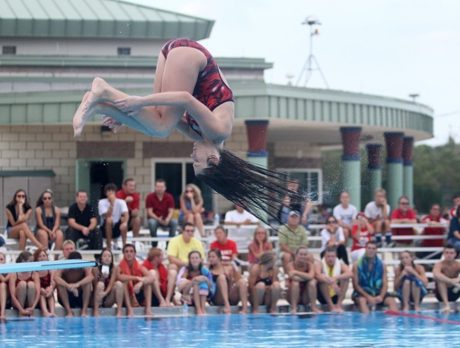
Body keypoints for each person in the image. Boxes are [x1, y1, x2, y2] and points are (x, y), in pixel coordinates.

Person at [72, 38, 306, 226]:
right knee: (160, 127)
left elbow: (163, 120)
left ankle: (100, 105)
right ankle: (104, 91)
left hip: (173, 53)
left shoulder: (201, 136)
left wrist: (125, 116)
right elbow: (183, 98)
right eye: (197, 160)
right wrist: (139, 102)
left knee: (159, 126)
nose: (192, 155)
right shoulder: (218, 130)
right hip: (190, 57)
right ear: (213, 158)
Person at [352, 241, 398, 314]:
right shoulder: (357, 265)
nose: (371, 250)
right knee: (362, 301)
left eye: (373, 248)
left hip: (378, 292)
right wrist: (368, 297)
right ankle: (366, 322)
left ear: (376, 250)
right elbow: (356, 285)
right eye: (369, 248)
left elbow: (385, 284)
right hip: (363, 293)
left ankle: (395, 322)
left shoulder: (382, 265)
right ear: (365, 249)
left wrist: (381, 296)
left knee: (392, 301)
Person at [166, 223, 205, 306]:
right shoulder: (174, 240)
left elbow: (201, 259)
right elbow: (171, 258)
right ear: (182, 231)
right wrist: (186, 264)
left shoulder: (197, 242)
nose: (190, 233)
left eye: (192, 231)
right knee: (172, 268)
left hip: (193, 268)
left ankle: (203, 299)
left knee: (204, 269)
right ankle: (168, 299)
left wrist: (190, 265)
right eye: (187, 231)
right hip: (180, 267)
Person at [117, 244, 154, 317]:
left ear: (135, 253)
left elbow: (151, 278)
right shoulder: (119, 266)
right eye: (126, 251)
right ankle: (129, 309)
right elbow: (120, 277)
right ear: (123, 254)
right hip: (126, 297)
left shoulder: (139, 266)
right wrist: (136, 278)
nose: (129, 253)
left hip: (137, 293)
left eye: (131, 251)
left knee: (147, 283)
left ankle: (148, 309)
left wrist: (141, 283)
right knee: (124, 282)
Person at [208, 248, 248, 314]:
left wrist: (231, 279)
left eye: (213, 257)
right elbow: (210, 288)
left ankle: (245, 308)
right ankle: (227, 305)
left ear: (219, 258)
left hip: (230, 295)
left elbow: (239, 279)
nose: (211, 259)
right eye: (209, 257)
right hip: (218, 298)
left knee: (242, 282)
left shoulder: (229, 268)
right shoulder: (208, 270)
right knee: (221, 277)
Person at [54, 251, 93, 317]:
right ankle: (69, 311)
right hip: (68, 297)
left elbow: (91, 277)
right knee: (60, 285)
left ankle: (84, 311)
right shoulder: (64, 266)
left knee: (87, 284)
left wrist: (78, 284)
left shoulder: (84, 266)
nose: (76, 265)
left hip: (80, 297)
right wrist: (68, 285)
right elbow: (56, 277)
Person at [177, 250, 215, 315]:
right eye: (192, 258)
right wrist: (193, 281)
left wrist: (205, 279)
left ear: (200, 259)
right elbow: (179, 286)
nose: (195, 260)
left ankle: (203, 309)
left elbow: (211, 286)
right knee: (195, 284)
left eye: (197, 258)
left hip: (202, 295)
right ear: (189, 260)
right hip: (188, 295)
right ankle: (198, 310)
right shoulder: (185, 269)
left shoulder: (204, 270)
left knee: (203, 284)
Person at [315, 246, 352, 312]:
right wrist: (331, 282)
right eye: (328, 256)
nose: (330, 259)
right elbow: (317, 275)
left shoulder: (340, 264)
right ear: (324, 257)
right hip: (323, 296)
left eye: (332, 256)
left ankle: (338, 304)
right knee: (322, 279)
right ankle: (331, 306)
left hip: (337, 293)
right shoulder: (319, 264)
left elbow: (350, 273)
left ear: (336, 257)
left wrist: (335, 278)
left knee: (345, 279)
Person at [286, 246, 320, 313]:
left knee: (312, 282)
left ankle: (314, 307)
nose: (303, 256)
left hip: (305, 296)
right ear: (296, 255)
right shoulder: (290, 265)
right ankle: (294, 308)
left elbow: (311, 276)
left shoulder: (310, 265)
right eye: (301, 254)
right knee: (295, 283)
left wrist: (296, 272)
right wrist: (307, 277)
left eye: (305, 254)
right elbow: (293, 277)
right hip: (292, 295)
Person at [146, 179, 178, 247]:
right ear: (154, 187)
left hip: (166, 219)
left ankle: (169, 244)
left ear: (165, 188)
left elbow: (171, 211)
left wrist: (167, 219)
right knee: (151, 222)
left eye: (161, 187)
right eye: (158, 186)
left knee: (174, 222)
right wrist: (158, 219)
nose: (159, 188)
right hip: (155, 219)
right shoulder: (150, 197)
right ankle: (154, 243)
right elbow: (149, 212)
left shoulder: (169, 197)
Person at [92, 248, 124, 317]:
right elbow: (95, 286)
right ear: (101, 258)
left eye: (109, 256)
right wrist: (102, 278)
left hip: (108, 298)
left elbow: (111, 283)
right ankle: (96, 310)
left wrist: (105, 293)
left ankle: (119, 311)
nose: (107, 258)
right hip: (97, 297)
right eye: (105, 256)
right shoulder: (96, 268)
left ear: (112, 259)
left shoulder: (114, 268)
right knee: (100, 284)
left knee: (119, 284)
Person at [8, 251, 40, 317]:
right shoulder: (14, 274)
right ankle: (21, 313)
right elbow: (13, 296)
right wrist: (21, 309)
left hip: (31, 302)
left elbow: (38, 293)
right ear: (23, 261)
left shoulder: (34, 274)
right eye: (30, 261)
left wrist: (33, 307)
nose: (32, 263)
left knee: (31, 284)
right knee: (22, 284)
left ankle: (31, 313)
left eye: (33, 261)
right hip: (17, 303)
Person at [98, 183, 129, 250]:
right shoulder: (101, 202)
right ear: (106, 193)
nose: (111, 193)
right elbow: (106, 215)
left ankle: (124, 245)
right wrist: (112, 204)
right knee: (109, 219)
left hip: (117, 226)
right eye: (109, 191)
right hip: (105, 227)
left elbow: (126, 214)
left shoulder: (121, 202)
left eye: (112, 191)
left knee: (124, 221)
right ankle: (109, 244)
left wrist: (125, 223)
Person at [433, 245, 460, 313]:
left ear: (455, 254)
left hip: (455, 291)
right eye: (447, 253)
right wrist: (451, 281)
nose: (449, 255)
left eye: (451, 253)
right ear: (443, 254)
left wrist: (458, 280)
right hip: (440, 294)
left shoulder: (458, 264)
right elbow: (436, 274)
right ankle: (446, 305)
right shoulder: (439, 264)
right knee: (440, 280)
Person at [33, 249, 56, 317]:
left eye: (44, 255)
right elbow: (35, 284)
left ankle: (52, 312)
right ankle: (45, 312)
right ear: (36, 258)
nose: (42, 258)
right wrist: (40, 289)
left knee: (50, 294)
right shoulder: (35, 270)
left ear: (47, 257)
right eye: (40, 256)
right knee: (41, 294)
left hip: (48, 291)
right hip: (38, 292)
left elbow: (53, 281)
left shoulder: (50, 269)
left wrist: (51, 288)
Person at [0, 252, 10, 320]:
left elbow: (3, 280)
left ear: (4, 261)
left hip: (6, 295)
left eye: (1, 259)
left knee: (2, 285)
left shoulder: (9, 270)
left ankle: (2, 313)